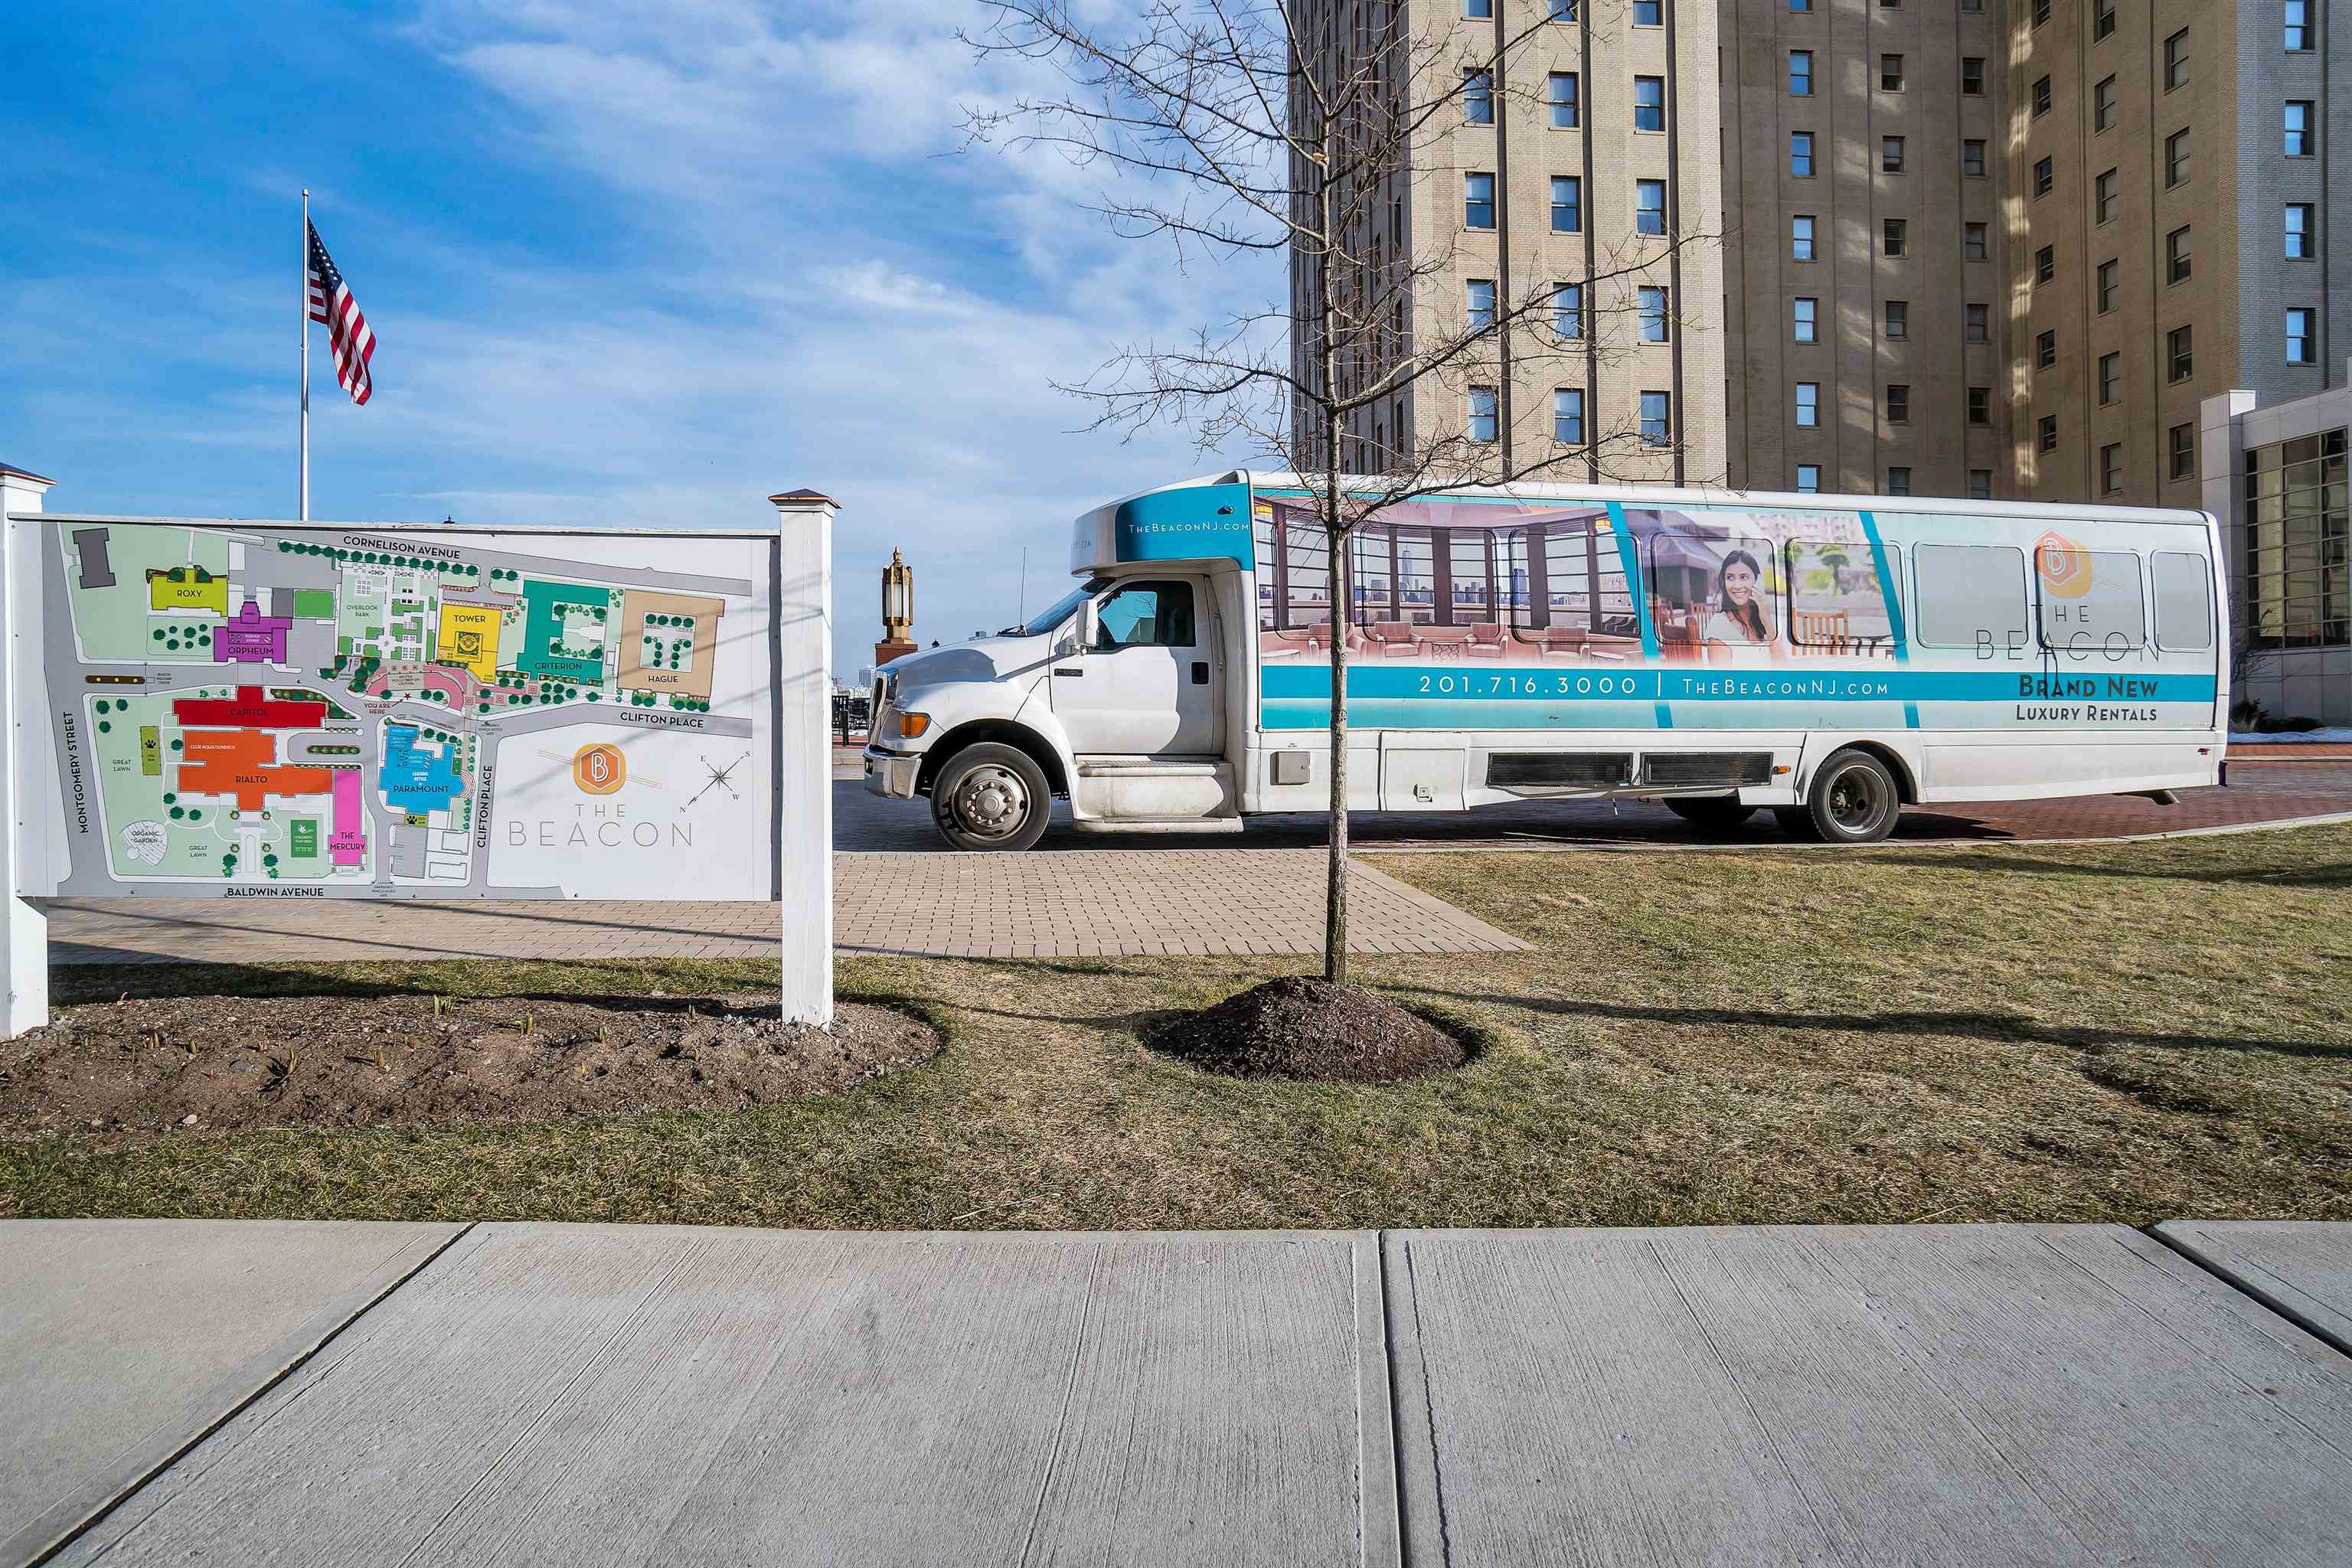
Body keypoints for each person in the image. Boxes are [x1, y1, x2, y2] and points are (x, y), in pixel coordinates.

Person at [1700, 549, 1775, 663]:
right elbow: (1721, 674)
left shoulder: (1766, 620)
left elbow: (1783, 666)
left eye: (1744, 577)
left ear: (1757, 581)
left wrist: (1767, 620)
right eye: (1730, 577)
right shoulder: (1719, 626)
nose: (1737, 586)